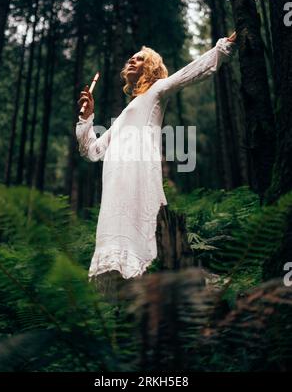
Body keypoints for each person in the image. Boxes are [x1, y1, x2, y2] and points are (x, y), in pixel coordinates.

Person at [76, 32, 238, 281]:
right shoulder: (122, 116)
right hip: (114, 181)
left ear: (150, 68)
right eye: (130, 58)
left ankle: (156, 278)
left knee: (145, 232)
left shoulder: (156, 91)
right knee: (118, 233)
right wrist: (87, 117)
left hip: (138, 172)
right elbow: (92, 152)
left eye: (139, 59)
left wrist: (223, 47)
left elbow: (189, 73)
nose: (131, 61)